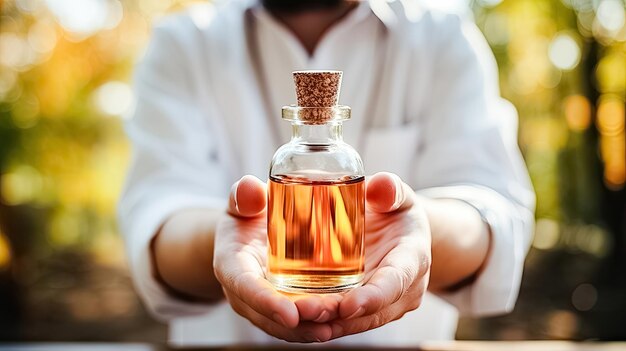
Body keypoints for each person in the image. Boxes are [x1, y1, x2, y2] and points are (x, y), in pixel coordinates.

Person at [118, 0, 535, 346]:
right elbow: (157, 210)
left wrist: (420, 225)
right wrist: (232, 236)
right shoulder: (184, 43)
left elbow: (494, 208)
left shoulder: (443, 37)